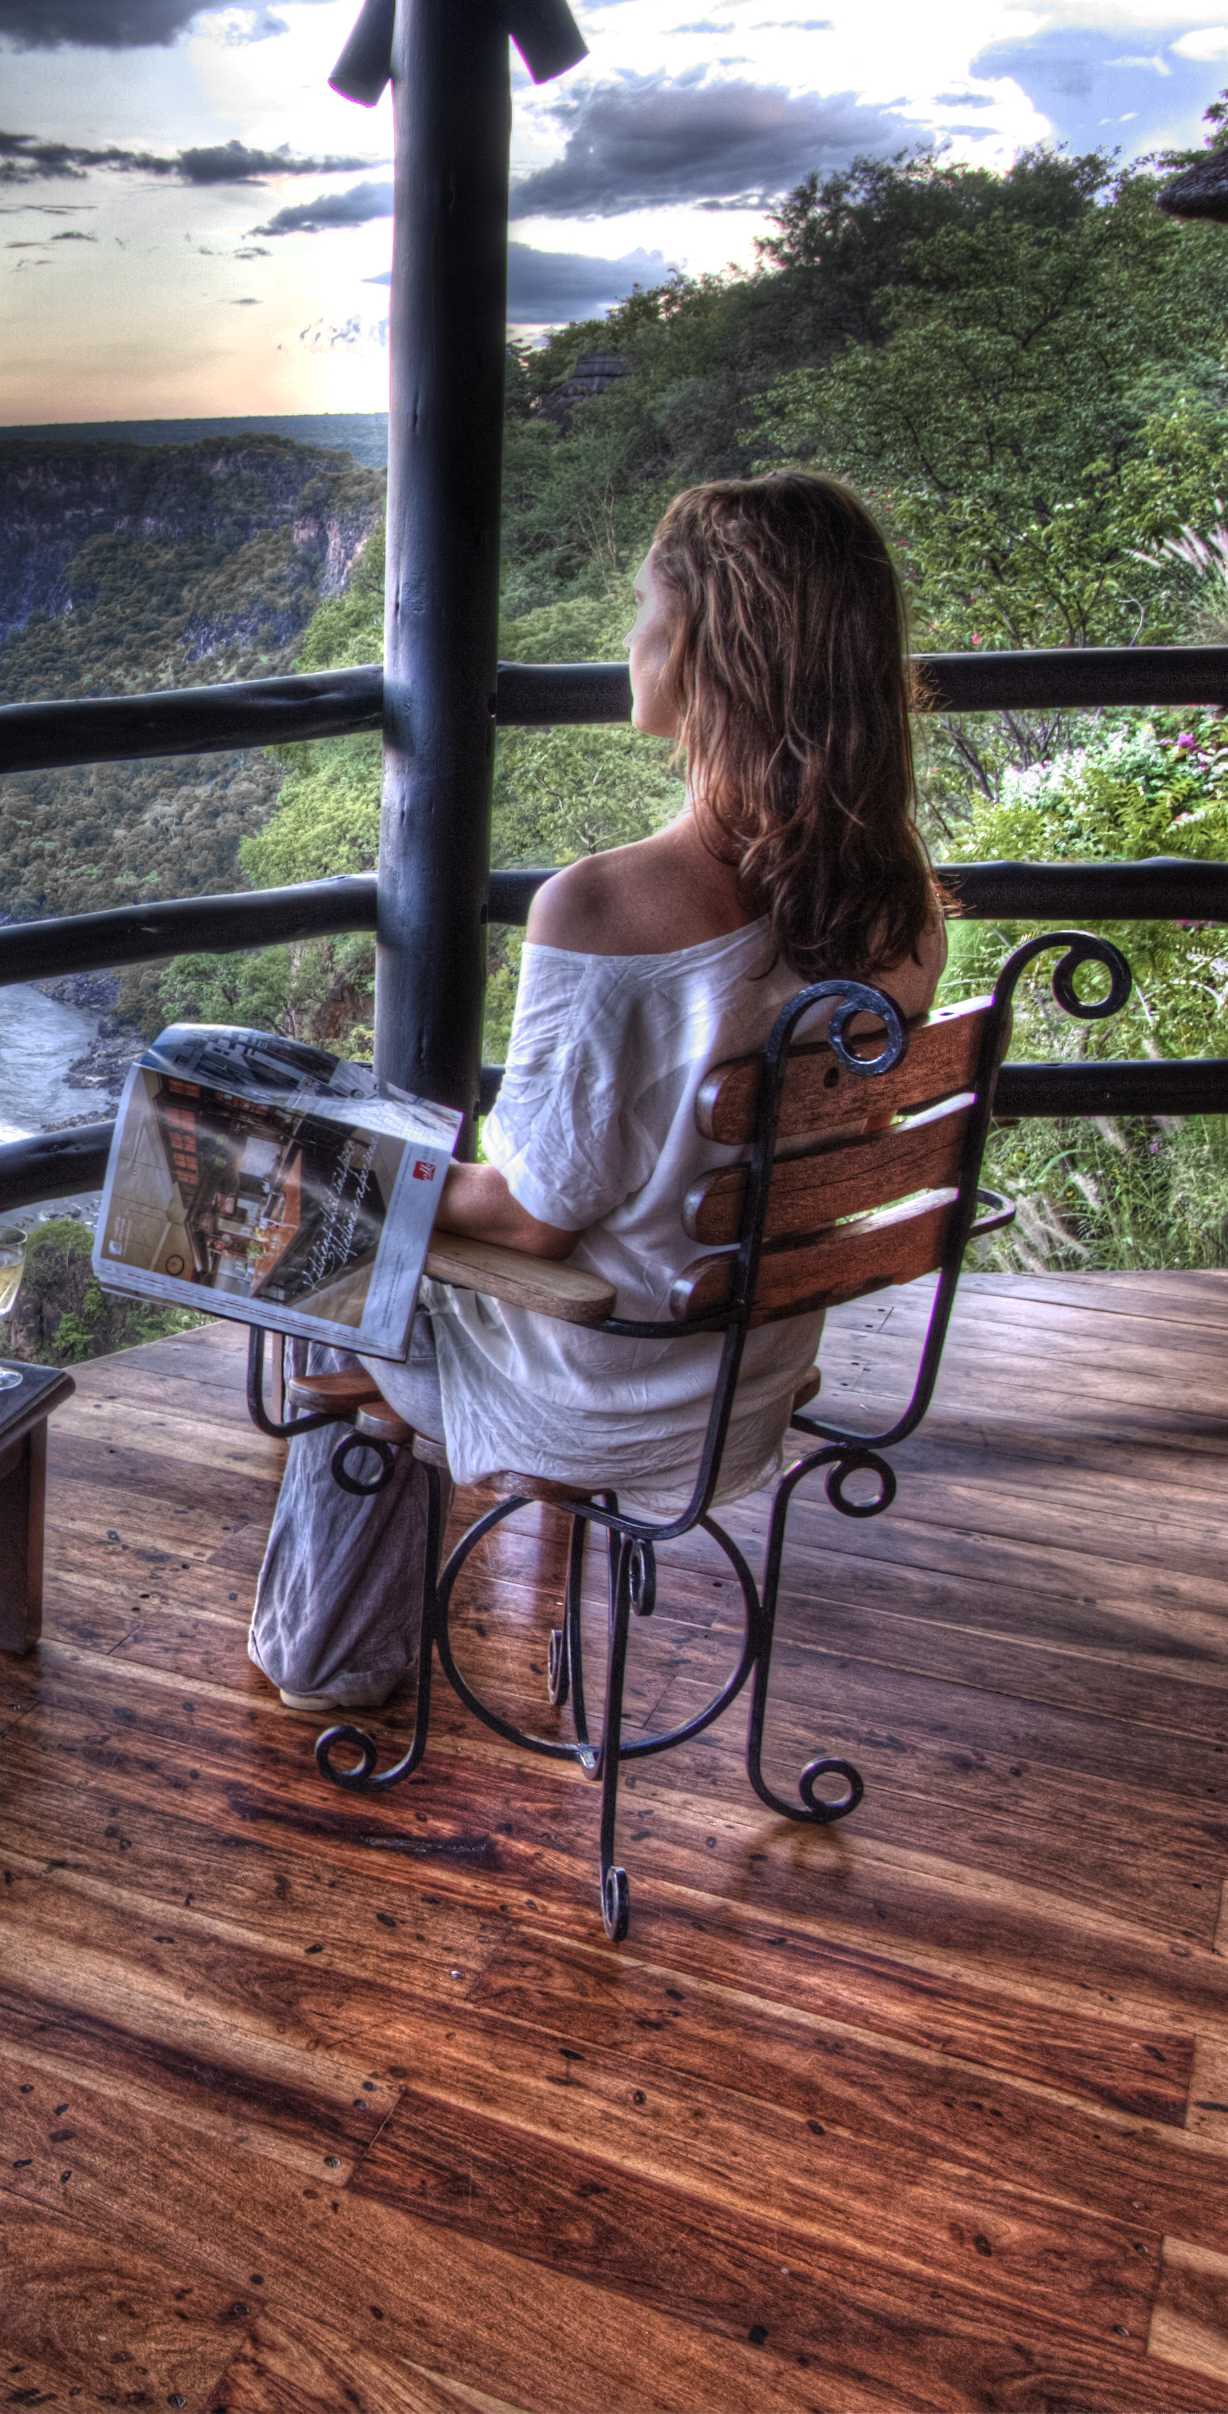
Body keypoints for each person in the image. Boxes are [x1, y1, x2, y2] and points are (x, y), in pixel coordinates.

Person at [251, 471, 949, 1713]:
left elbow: (527, 1223)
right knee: (346, 1198)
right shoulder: (898, 913)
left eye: (639, 607)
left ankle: (324, 1652)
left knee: (298, 1222)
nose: (624, 636)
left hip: (598, 1382)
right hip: (743, 1369)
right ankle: (348, 1565)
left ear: (689, 647)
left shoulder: (608, 909)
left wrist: (320, 1154)